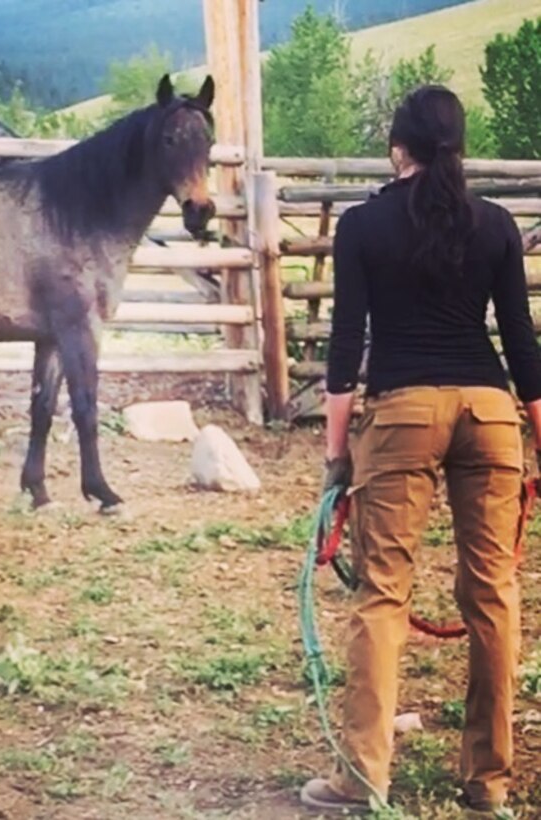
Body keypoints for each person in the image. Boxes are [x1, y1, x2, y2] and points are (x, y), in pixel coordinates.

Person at [299, 85, 541, 816]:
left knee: (382, 595)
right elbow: (523, 350)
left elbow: (345, 352)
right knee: (493, 594)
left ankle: (363, 777)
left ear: (395, 148)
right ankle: (488, 782)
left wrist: (337, 453)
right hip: (491, 413)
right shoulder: (496, 225)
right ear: (458, 147)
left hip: (403, 412)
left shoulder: (364, 226)